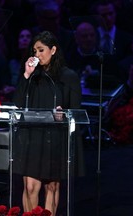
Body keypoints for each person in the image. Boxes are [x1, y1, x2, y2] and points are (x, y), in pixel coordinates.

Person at [12, 31, 81, 215]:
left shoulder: (68, 77)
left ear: (53, 50)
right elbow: (18, 104)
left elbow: (75, 112)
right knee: (30, 187)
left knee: (51, 187)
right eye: (34, 51)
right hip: (32, 137)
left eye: (41, 50)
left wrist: (64, 116)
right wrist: (26, 75)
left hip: (55, 139)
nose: (36, 55)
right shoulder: (32, 75)